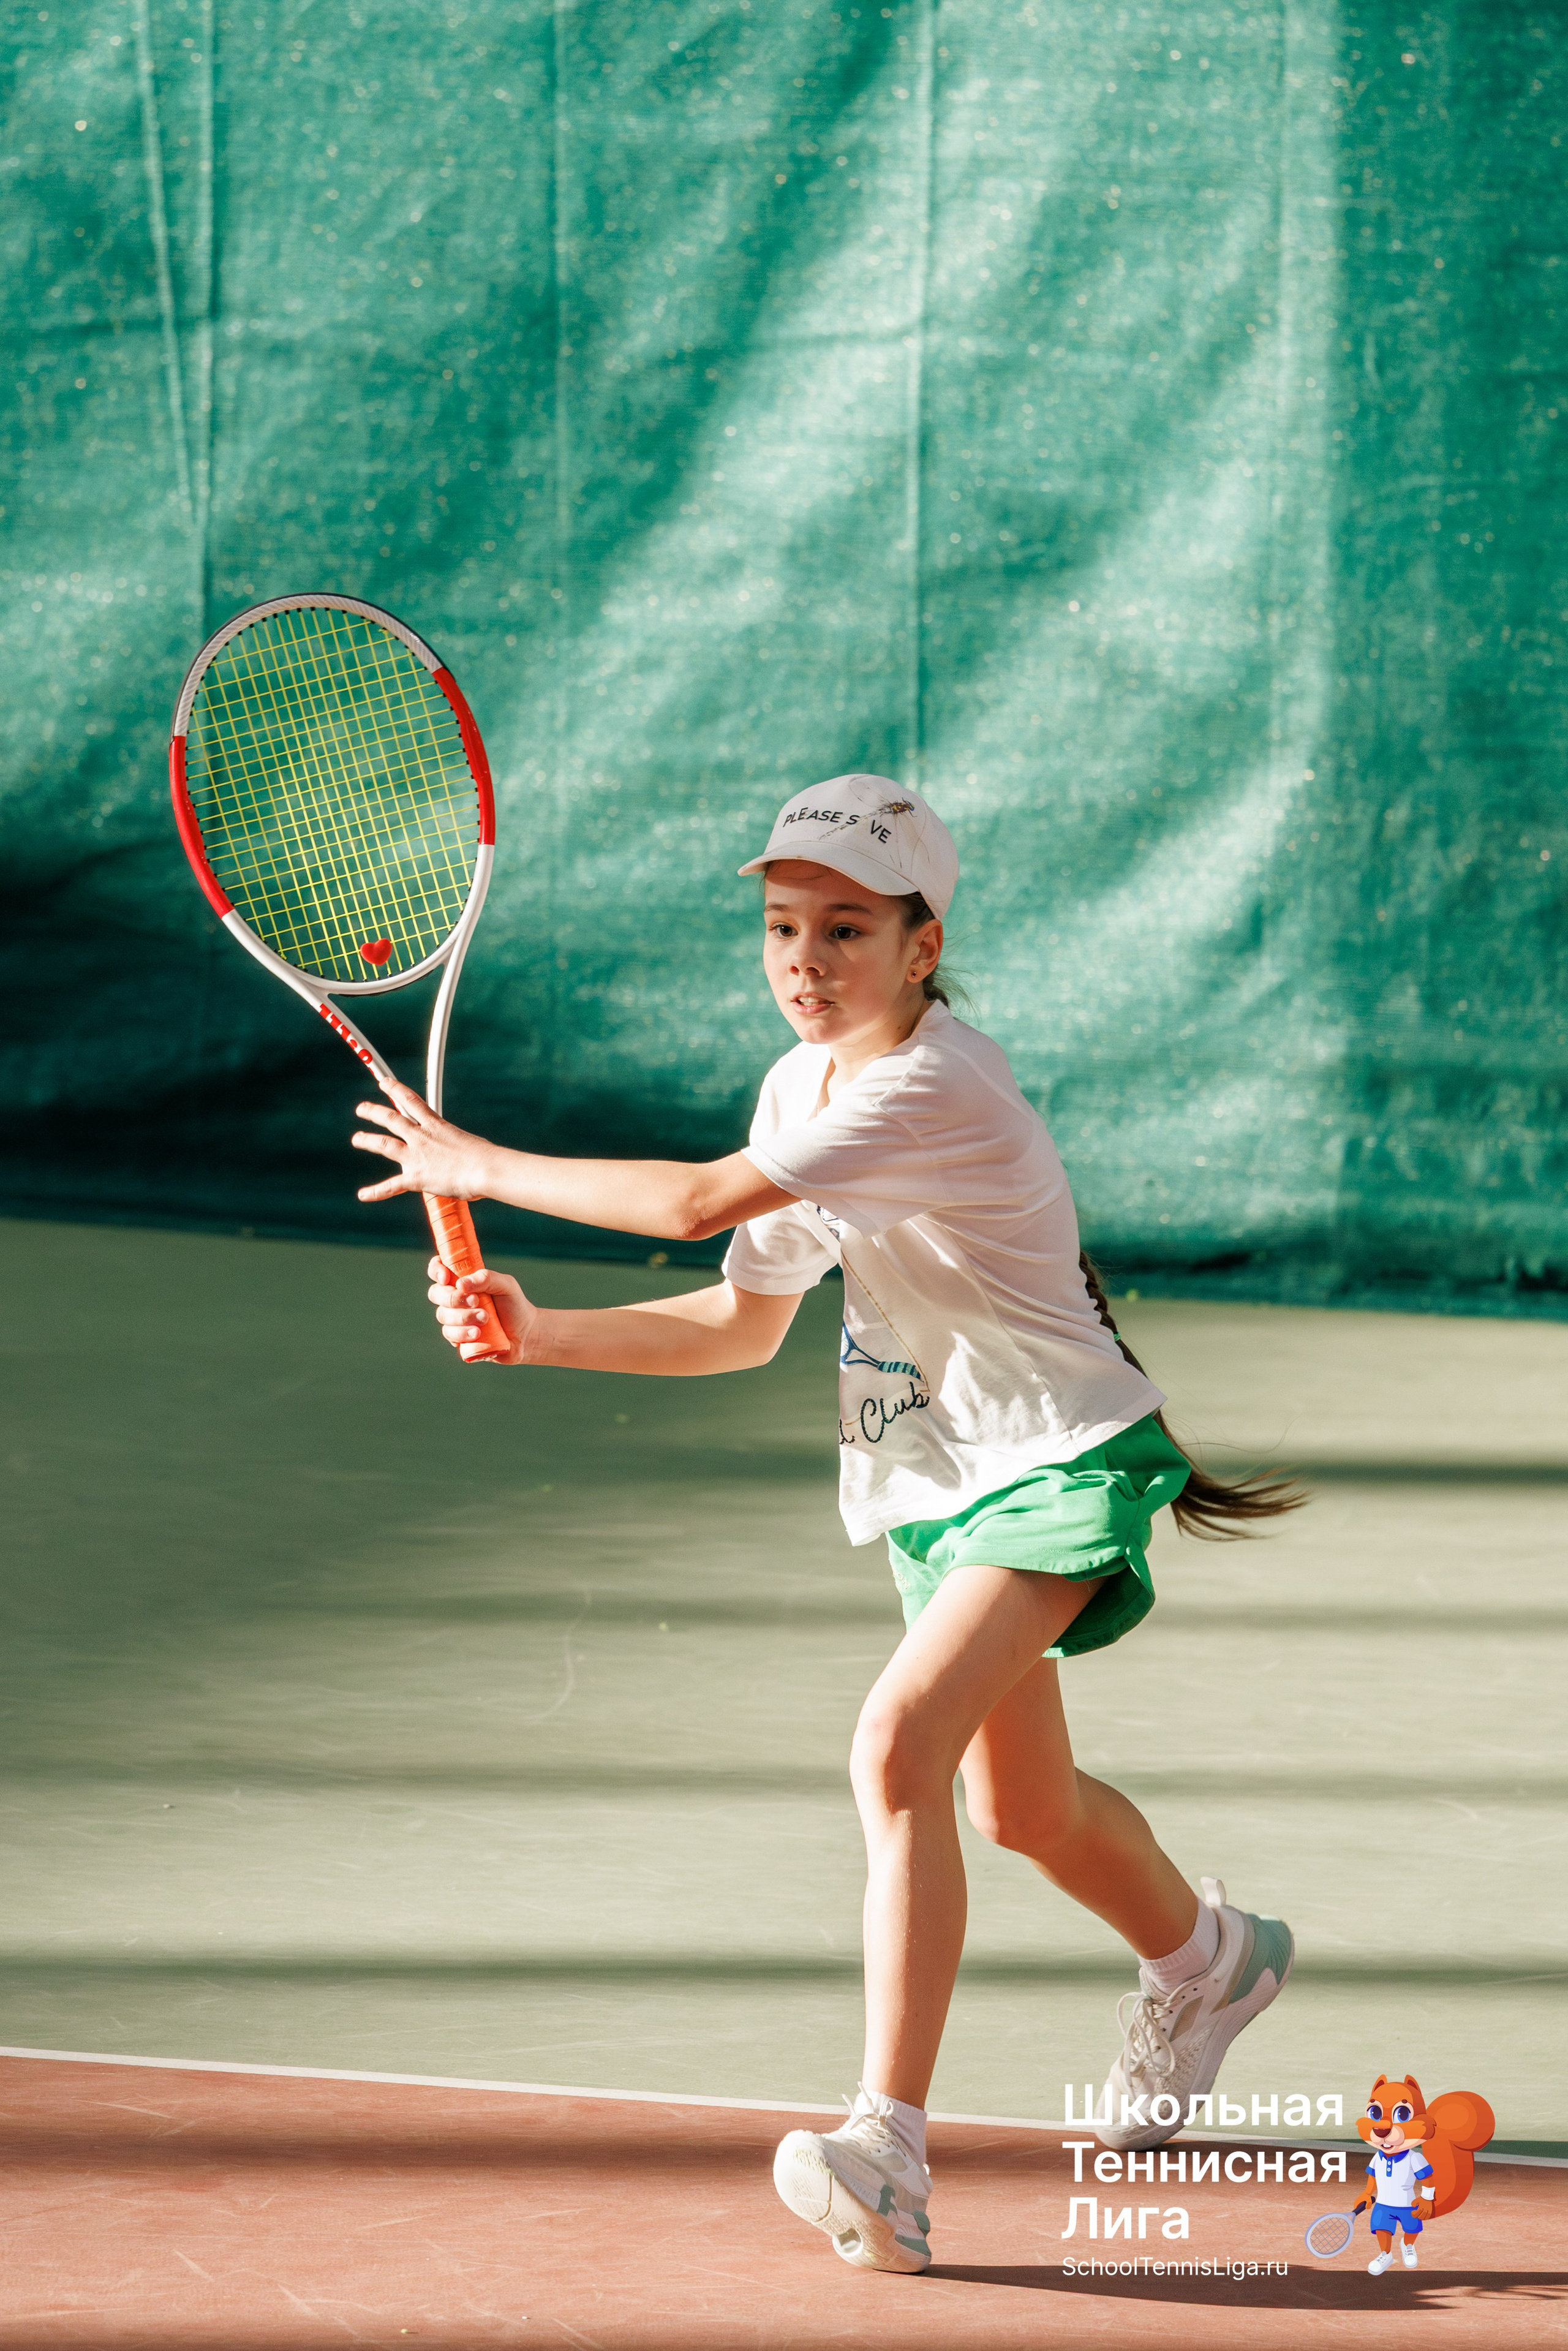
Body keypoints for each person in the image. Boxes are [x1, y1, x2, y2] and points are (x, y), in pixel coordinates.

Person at [351, 772, 1302, 2277]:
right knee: (1020, 1809)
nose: (805, 958)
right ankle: (1208, 1956)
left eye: (846, 928)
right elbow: (738, 1318)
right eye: (784, 925)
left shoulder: (934, 1084)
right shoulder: (799, 1089)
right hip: (939, 1480)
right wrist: (543, 1334)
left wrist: (477, 1164)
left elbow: (691, 1205)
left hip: (1061, 1456)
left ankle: (888, 2148)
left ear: (923, 947)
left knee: (893, 1746)